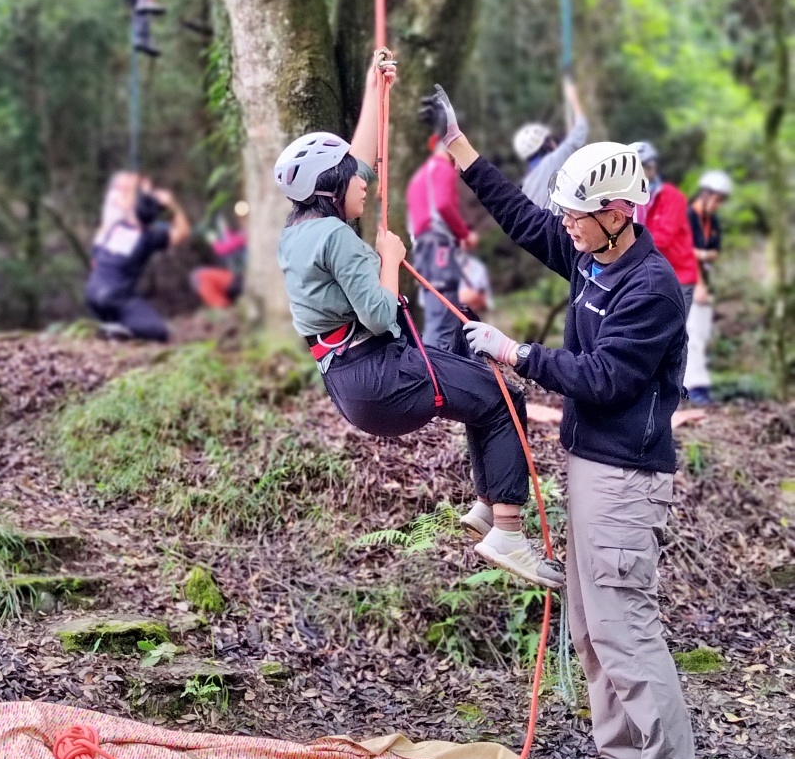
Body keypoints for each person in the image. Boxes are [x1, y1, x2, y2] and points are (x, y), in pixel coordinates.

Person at [427, 85, 714, 759]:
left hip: (627, 478)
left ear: (619, 212)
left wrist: (517, 352)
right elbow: (524, 221)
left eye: (578, 215)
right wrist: (462, 150)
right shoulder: (592, 255)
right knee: (590, 630)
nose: (566, 226)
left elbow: (609, 379)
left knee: (627, 632)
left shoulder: (650, 287)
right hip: (590, 466)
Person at [274, 54, 561, 589]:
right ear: (329, 190)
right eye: (350, 180)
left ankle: (486, 504)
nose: (365, 183)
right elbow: (382, 315)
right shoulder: (338, 236)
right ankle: (507, 531)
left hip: (352, 380)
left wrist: (373, 90)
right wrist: (389, 257)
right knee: (503, 396)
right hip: (382, 373)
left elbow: (356, 161)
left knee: (480, 381)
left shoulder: (298, 233)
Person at [405, 97, 483, 347]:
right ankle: (437, 375)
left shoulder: (420, 177)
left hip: (424, 249)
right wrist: (463, 235)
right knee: (442, 320)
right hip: (437, 247)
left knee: (447, 314)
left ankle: (460, 369)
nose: (460, 166)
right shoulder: (442, 169)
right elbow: (443, 206)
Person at [85, 172, 190, 341]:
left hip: (92, 293)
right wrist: (172, 205)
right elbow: (183, 231)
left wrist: (141, 190)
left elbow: (96, 253)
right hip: (115, 296)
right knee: (159, 331)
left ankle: (112, 326)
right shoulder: (148, 237)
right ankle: (121, 329)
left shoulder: (115, 227)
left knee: (124, 306)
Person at [632, 142, 698, 315]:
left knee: (673, 334)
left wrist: (626, 247)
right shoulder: (636, 199)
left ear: (651, 167)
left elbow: (663, 238)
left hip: (678, 277)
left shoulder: (671, 196)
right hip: (649, 277)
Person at [683, 170, 732, 406]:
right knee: (693, 334)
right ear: (705, 194)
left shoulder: (713, 222)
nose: (718, 204)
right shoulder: (687, 216)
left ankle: (688, 383)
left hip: (702, 279)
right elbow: (684, 251)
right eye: (716, 198)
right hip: (686, 280)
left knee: (699, 332)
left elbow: (713, 252)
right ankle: (695, 386)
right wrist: (699, 283)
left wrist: (701, 254)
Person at [514, 77, 588, 209]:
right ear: (546, 144)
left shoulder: (526, 186)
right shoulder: (553, 160)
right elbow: (580, 129)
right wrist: (574, 98)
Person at [191, 202, 247, 310]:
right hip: (238, 278)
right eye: (241, 217)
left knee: (198, 276)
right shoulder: (242, 234)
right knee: (198, 276)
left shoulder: (250, 234)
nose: (242, 220)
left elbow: (223, 249)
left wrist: (211, 238)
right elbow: (231, 242)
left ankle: (224, 308)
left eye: (245, 217)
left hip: (243, 279)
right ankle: (224, 307)